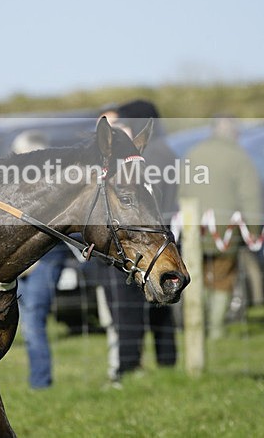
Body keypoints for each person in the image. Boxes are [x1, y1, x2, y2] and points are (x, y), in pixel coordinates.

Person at [97, 100, 178, 385]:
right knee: (155, 304)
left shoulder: (139, 160)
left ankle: (129, 366)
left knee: (127, 309)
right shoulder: (158, 152)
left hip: (138, 241)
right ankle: (164, 362)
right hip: (150, 238)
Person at [178, 115, 262, 340]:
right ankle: (216, 329)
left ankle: (200, 327)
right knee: (223, 277)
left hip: (194, 226)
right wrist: (255, 231)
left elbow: (181, 192)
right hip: (226, 228)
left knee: (199, 275)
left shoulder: (192, 153)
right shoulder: (239, 157)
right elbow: (250, 197)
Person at [11, 130, 69, 389]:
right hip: (23, 265)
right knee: (27, 325)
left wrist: (32, 260)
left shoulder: (53, 188)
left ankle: (40, 383)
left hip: (44, 261)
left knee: (34, 323)